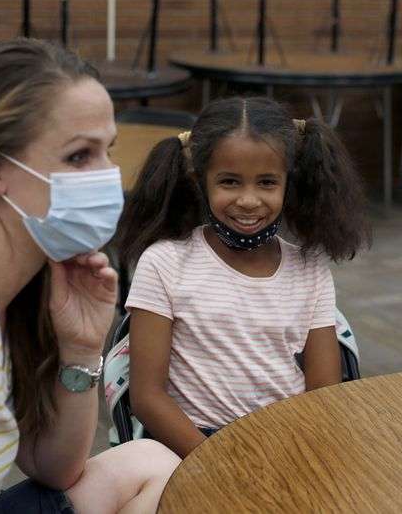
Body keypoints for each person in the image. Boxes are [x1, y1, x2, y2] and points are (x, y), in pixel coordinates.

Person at [0, 38, 180, 513]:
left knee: (152, 462)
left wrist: (81, 349)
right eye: (78, 156)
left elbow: (56, 469)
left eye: (106, 151)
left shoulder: (17, 281)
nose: (108, 177)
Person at [115, 97, 370, 458]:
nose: (249, 200)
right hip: (192, 448)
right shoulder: (164, 263)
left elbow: (322, 395)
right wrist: (219, 463)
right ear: (200, 180)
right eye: (230, 182)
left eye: (267, 182)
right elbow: (147, 398)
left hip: (285, 442)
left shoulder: (310, 268)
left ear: (289, 181)